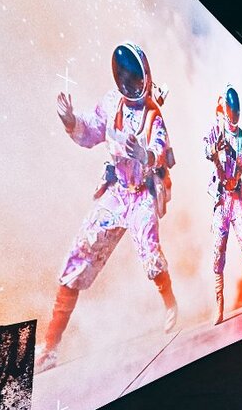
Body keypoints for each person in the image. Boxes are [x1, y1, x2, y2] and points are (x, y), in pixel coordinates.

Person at [36, 43, 178, 372]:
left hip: (141, 194)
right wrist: (71, 121)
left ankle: (171, 302)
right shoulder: (111, 103)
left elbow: (160, 149)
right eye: (124, 79)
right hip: (117, 195)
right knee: (77, 257)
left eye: (135, 79)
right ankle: (50, 346)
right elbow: (92, 130)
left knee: (152, 256)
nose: (130, 86)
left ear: (145, 76)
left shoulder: (153, 116)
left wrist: (145, 155)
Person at [204, 84, 242, 324]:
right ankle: (220, 304)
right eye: (231, 110)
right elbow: (206, 148)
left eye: (236, 111)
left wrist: (234, 161)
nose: (234, 115)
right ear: (226, 109)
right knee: (218, 251)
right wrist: (216, 150)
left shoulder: (240, 137)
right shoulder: (216, 129)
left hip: (235, 196)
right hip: (221, 199)